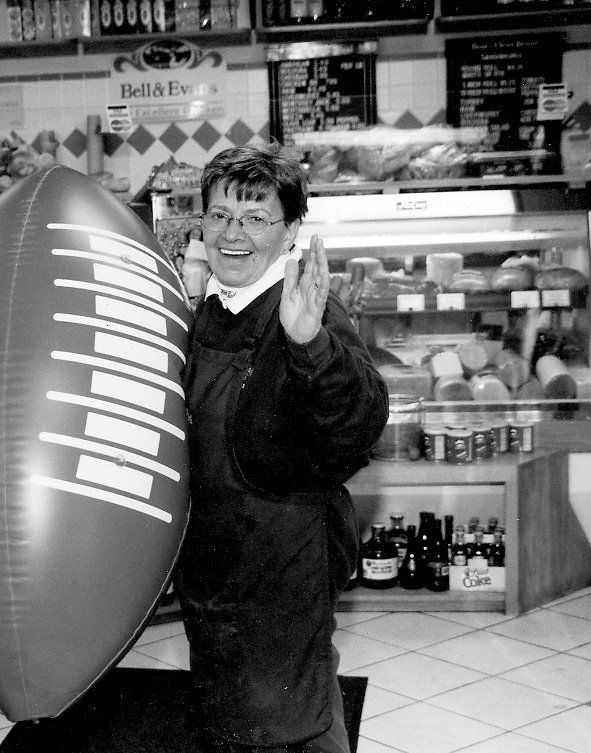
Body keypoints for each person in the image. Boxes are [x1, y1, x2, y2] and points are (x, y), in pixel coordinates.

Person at [177, 143, 389, 753]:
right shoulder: (208, 311)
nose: (233, 233)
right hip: (214, 563)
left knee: (294, 723)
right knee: (228, 717)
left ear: (291, 230)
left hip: (284, 562)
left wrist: (309, 343)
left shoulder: (309, 310)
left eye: (256, 218)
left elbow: (357, 422)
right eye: (219, 216)